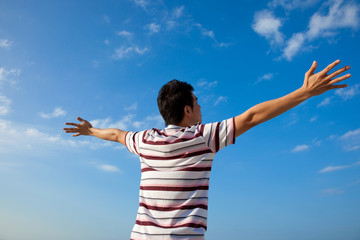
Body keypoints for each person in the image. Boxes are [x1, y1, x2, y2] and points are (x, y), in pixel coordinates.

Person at [63, 60, 351, 240]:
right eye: (197, 102)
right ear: (187, 110)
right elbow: (252, 117)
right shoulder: (203, 137)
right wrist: (305, 92)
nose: (201, 107)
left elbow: (115, 134)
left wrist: (90, 131)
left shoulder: (145, 140)